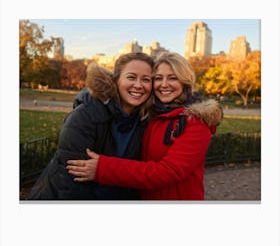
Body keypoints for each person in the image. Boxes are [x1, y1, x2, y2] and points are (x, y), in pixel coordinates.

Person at [66, 52, 223, 200]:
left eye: (172, 78)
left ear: (185, 81)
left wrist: (103, 168)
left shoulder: (195, 122)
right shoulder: (151, 114)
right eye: (158, 78)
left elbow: (168, 171)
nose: (164, 84)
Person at [27, 52, 154, 200]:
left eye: (146, 80)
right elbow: (70, 182)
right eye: (131, 77)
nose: (138, 85)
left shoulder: (145, 120)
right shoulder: (85, 116)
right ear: (116, 80)